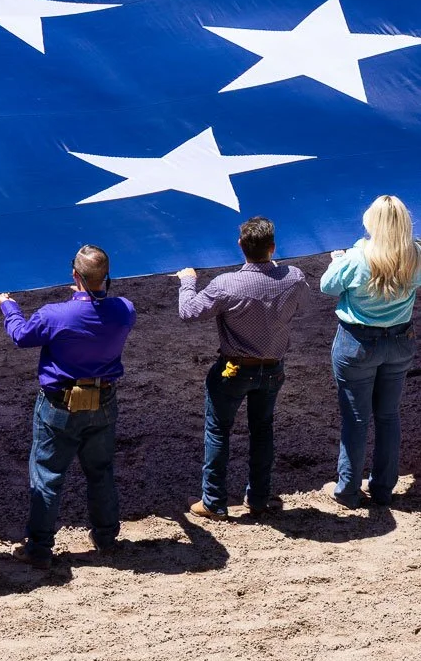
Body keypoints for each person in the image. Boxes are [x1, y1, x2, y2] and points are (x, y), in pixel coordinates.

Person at [0, 245, 135, 570]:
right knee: (100, 472)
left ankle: (40, 547)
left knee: (47, 476)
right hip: (104, 401)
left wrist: (8, 306)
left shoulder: (54, 314)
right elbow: (102, 311)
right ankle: (106, 536)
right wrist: (86, 298)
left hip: (60, 406)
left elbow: (21, 335)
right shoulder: (125, 309)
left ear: (75, 276)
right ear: (106, 277)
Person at [175, 217, 309, 520]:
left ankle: (213, 501)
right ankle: (259, 498)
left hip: (233, 370)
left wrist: (187, 281)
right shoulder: (295, 277)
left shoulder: (226, 284)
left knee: (218, 431)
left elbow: (188, 312)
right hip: (273, 369)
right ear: (272, 247)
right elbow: (304, 306)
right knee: (262, 431)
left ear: (240, 245)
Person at [320, 195, 421, 509]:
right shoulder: (416, 254)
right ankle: (382, 489)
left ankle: (348, 489)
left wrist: (340, 260)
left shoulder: (358, 258)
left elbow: (327, 286)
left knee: (356, 418)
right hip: (400, 341)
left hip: (358, 344)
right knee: (388, 416)